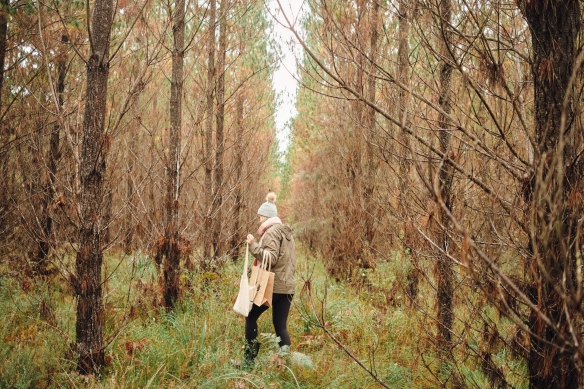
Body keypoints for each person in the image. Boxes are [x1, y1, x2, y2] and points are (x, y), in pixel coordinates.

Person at [242, 192, 296, 369]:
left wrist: (253, 246)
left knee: (250, 317)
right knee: (280, 326)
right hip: (288, 287)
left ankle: (249, 362)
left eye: (260, 217)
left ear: (267, 217)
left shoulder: (272, 233)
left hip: (275, 286)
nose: (258, 221)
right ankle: (285, 366)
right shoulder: (287, 233)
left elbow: (270, 258)